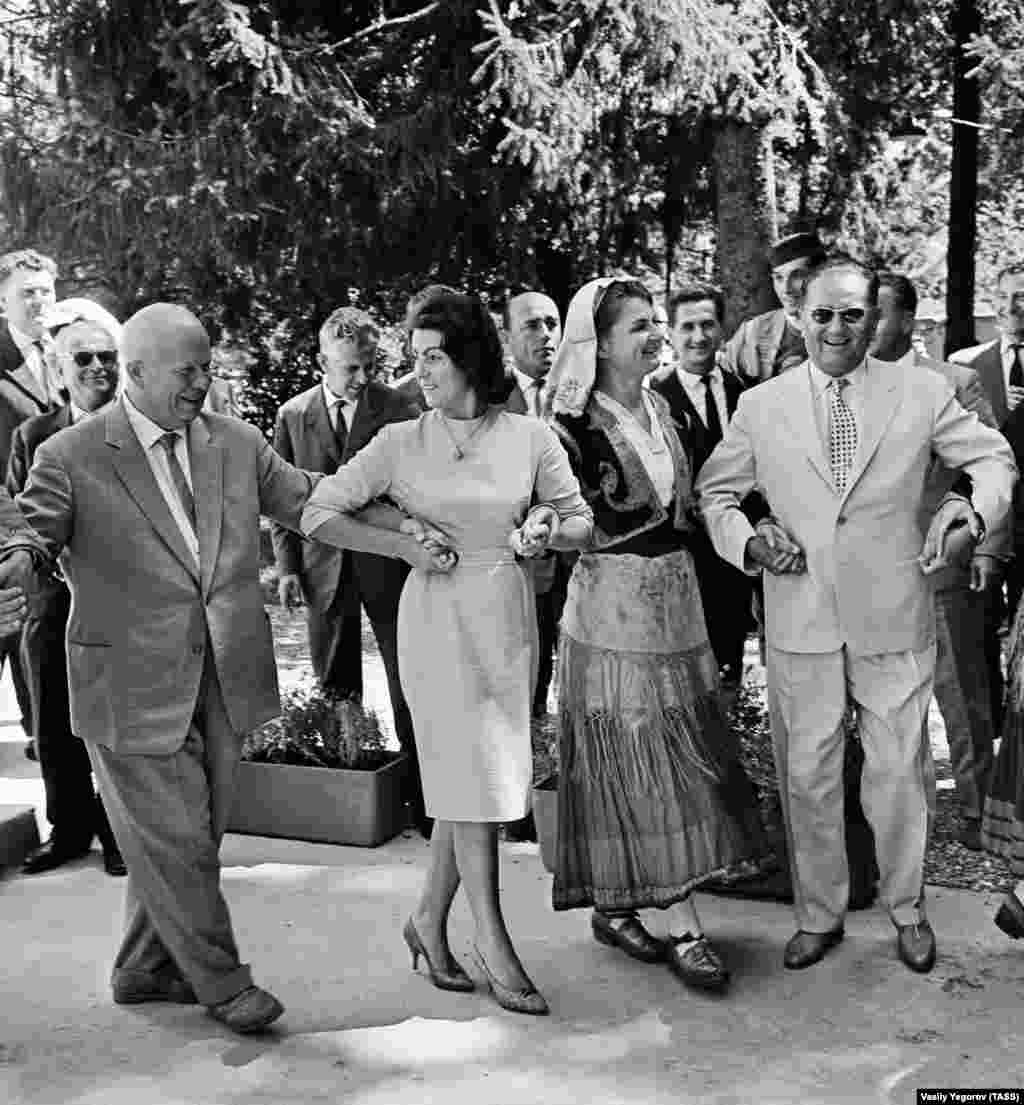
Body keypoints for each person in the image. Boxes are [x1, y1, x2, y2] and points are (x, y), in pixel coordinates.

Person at [0, 303, 319, 1034]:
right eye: (189, 370)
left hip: (222, 674)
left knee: (192, 832)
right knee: (174, 836)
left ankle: (142, 968)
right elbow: (29, 529)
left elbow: (306, 498)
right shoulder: (68, 454)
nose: (203, 382)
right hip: (127, 683)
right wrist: (15, 558)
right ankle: (221, 979)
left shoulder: (234, 442)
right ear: (136, 373)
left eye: (209, 366)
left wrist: (401, 500)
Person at [698, 256, 1016, 975]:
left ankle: (908, 908)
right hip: (799, 612)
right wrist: (749, 539)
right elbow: (715, 494)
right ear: (800, 318)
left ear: (873, 318)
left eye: (852, 314)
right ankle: (819, 913)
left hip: (893, 609)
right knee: (807, 772)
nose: (837, 328)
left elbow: (994, 461)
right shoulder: (762, 405)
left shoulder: (920, 391)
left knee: (898, 770)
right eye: (823, 314)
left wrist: (969, 507)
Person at [302, 288, 592, 1016]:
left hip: (504, 613)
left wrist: (545, 527)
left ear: (469, 356)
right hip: (433, 621)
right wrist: (400, 541)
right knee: (473, 785)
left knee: (484, 785)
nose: (420, 370)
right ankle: (492, 941)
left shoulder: (529, 437)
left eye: (433, 355)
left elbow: (582, 520)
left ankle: (427, 921)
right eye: (416, 355)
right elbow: (319, 510)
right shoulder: (401, 441)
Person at [547, 277, 772, 994]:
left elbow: (697, 500)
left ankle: (617, 907)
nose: (654, 335)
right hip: (613, 614)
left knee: (675, 752)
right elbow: (557, 517)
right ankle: (684, 924)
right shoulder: (568, 426)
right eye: (638, 325)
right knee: (649, 759)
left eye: (654, 322)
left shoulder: (661, 405)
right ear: (602, 341)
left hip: (677, 606)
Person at [271, 306, 427, 833]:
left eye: (368, 366)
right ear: (321, 361)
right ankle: (347, 791)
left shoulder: (400, 407)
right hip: (324, 565)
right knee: (335, 682)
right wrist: (288, 568)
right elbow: (282, 502)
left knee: (408, 679)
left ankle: (423, 796)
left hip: (387, 562)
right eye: (349, 370)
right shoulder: (293, 416)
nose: (361, 379)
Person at [871, 272, 1004, 851]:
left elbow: (991, 468)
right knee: (887, 701)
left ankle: (978, 810)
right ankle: (907, 809)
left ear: (907, 320)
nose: (863, 326)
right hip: (871, 574)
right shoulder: (840, 386)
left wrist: (989, 547)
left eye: (876, 314)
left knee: (960, 695)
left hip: (944, 566)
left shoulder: (956, 382)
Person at [9, 299, 126, 877]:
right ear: (58, 368)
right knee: (54, 723)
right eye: (84, 357)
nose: (99, 367)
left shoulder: (137, 431)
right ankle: (69, 830)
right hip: (52, 604)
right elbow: (18, 520)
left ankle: (119, 834)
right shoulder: (33, 436)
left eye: (109, 356)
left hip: (122, 605)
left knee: (114, 725)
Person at [650, 282, 754, 686]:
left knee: (726, 664)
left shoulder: (743, 392)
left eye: (708, 325)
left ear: (722, 329)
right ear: (671, 334)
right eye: (687, 327)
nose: (699, 337)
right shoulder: (652, 394)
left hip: (730, 553)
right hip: (678, 551)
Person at [0, 249, 62, 758]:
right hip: (5, 524)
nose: (39, 300)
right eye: (27, 291)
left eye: (45, 290)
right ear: (3, 300)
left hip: (58, 531)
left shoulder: (73, 352)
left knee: (41, 647)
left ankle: (44, 740)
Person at [721, 231, 827, 386]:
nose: (786, 289)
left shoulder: (851, 329)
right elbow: (719, 382)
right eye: (779, 278)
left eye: (797, 275)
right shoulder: (754, 333)